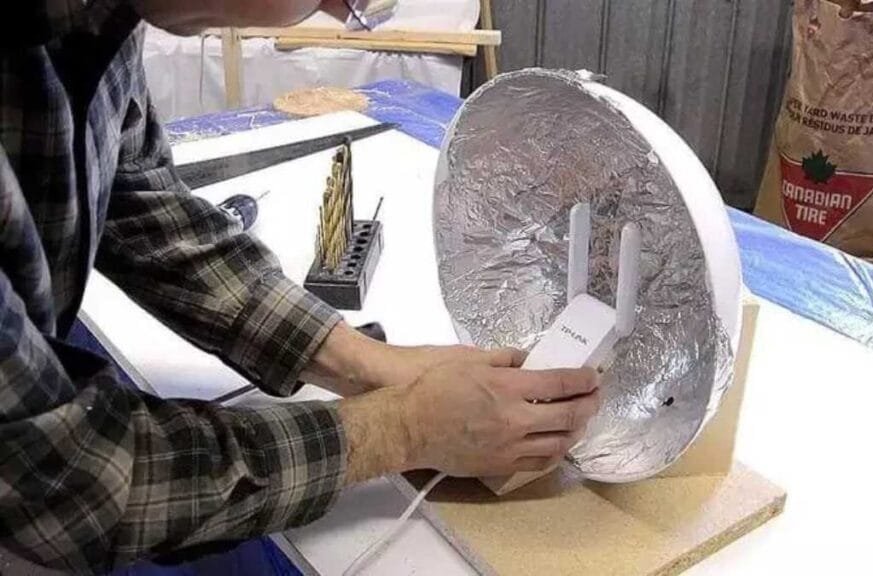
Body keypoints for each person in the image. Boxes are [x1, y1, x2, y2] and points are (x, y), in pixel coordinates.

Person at [0, 1, 599, 573]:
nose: (339, 13)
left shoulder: (100, 20)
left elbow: (139, 204)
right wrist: (403, 429)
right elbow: (64, 475)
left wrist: (364, 362)